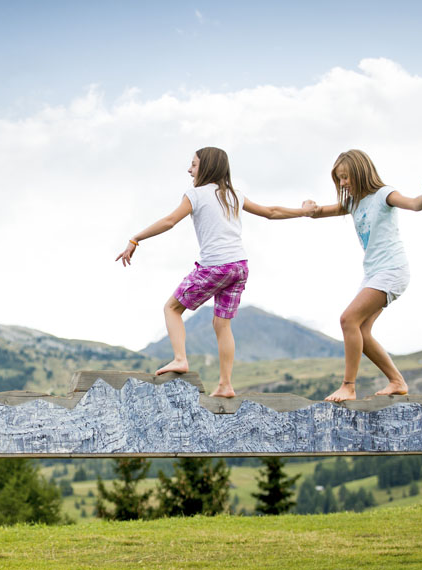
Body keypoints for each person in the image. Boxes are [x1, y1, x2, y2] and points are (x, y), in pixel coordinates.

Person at [116, 146, 314, 398]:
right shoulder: (234, 195)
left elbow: (169, 221)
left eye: (194, 165)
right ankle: (225, 385)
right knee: (222, 324)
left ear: (207, 167)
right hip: (239, 267)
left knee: (172, 308)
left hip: (216, 266)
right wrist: (304, 212)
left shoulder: (195, 194)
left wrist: (136, 238)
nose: (189, 169)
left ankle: (179, 359)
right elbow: (271, 212)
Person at [304, 149, 422, 402]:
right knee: (361, 331)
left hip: (392, 270)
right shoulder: (354, 203)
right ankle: (397, 381)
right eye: (339, 179)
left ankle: (348, 386)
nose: (343, 184)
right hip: (373, 273)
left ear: (360, 172)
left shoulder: (384, 194)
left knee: (348, 320)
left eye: (345, 177)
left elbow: (413, 204)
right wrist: (308, 208)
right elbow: (320, 211)